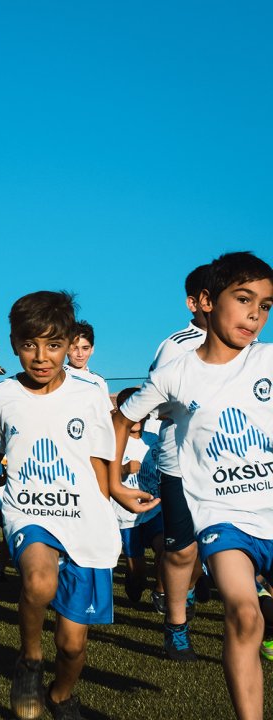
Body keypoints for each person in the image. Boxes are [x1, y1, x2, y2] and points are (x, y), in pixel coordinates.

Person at [113, 252, 273, 720]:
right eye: (243, 299)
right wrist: (114, 483)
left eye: (265, 306)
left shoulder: (269, 360)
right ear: (206, 301)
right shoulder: (176, 371)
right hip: (223, 517)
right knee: (245, 613)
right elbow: (122, 418)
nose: (254, 314)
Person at [0, 290, 121, 720]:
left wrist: (114, 494)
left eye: (53, 345)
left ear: (69, 343)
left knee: (73, 645)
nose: (41, 357)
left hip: (83, 515)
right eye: (30, 345)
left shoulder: (91, 393)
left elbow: (101, 458)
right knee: (39, 583)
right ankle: (29, 659)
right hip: (30, 510)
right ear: (13, 343)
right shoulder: (3, 395)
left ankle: (62, 694)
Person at [123, 262, 213, 660]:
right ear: (196, 302)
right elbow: (152, 402)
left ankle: (192, 591)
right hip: (182, 462)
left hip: (237, 465)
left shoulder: (255, 350)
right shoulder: (177, 345)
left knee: (213, 550)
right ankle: (176, 626)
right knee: (182, 551)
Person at [110, 386, 163, 606]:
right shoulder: (112, 441)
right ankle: (134, 582)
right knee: (137, 573)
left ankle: (161, 592)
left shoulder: (154, 439)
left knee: (166, 550)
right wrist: (122, 470)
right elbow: (101, 473)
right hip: (126, 515)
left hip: (154, 510)